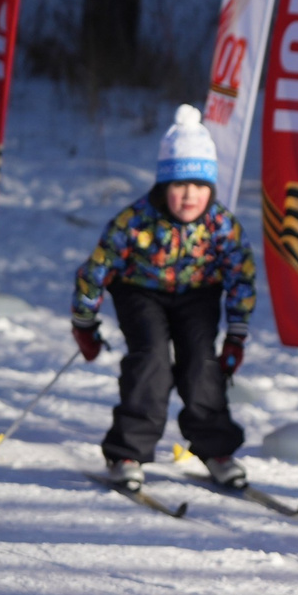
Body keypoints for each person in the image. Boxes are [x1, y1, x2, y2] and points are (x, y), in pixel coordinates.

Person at [72, 104, 257, 492]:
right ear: (162, 186)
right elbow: (96, 270)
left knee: (201, 364)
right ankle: (128, 451)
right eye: (179, 185)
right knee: (152, 359)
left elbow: (241, 276)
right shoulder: (135, 220)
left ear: (212, 188)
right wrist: (84, 323)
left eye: (200, 185)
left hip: (197, 295)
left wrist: (236, 335)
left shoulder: (221, 226)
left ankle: (216, 449)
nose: (190, 195)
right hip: (141, 293)